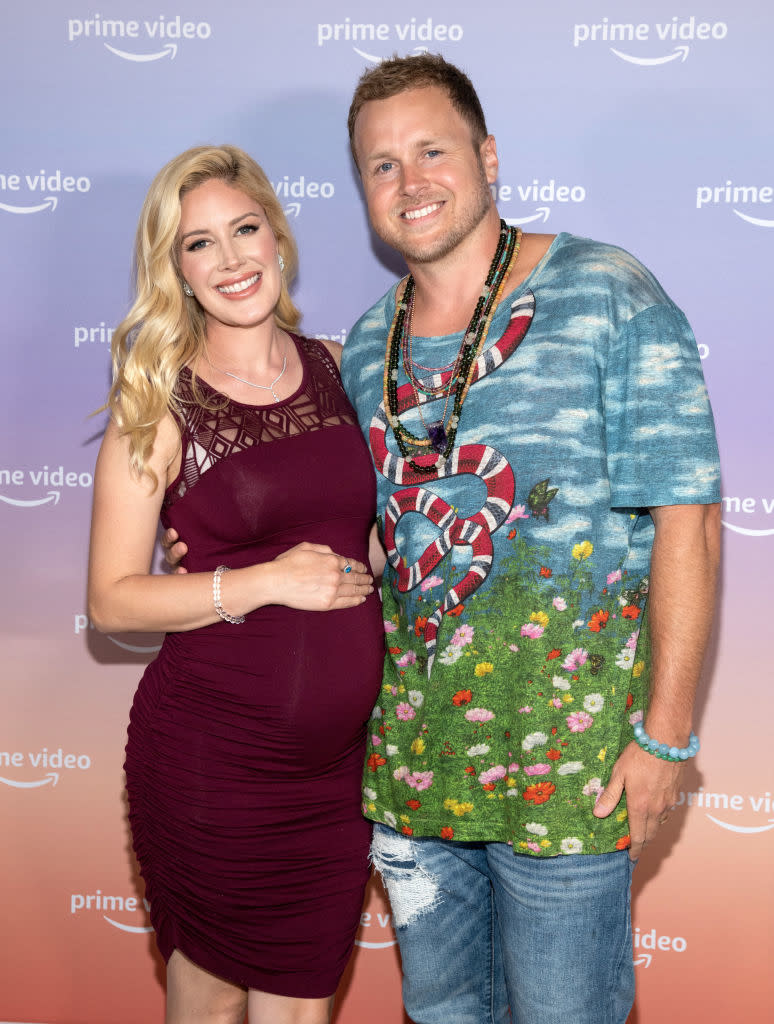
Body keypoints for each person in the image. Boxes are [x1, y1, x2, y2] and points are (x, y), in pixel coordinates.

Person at [338, 54, 721, 1024]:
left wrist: (665, 736)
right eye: (382, 165)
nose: (410, 180)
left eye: (431, 149)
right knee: (443, 1014)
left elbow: (691, 517)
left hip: (574, 777)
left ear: (489, 155)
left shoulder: (607, 292)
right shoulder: (362, 343)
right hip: (412, 781)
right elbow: (372, 542)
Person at [87, 144, 384, 1024]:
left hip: (337, 774)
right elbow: (112, 601)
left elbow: (377, 535)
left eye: (244, 229)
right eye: (199, 245)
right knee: (210, 999)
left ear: (278, 236)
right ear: (174, 271)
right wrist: (258, 581)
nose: (231, 260)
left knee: (301, 1006)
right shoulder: (159, 404)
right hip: (212, 765)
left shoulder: (345, 369)